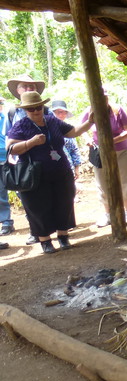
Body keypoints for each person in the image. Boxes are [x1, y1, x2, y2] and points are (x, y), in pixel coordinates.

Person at [5, 92, 94, 254]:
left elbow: (73, 131)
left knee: (64, 202)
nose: (36, 111)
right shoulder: (20, 126)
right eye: (31, 109)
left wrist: (89, 122)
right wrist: (30, 143)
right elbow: (11, 148)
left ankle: (63, 236)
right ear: (25, 110)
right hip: (35, 175)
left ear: (43, 106)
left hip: (61, 170)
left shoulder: (53, 121)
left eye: (38, 107)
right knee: (39, 207)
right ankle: (45, 240)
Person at [6, 74, 52, 245]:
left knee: (49, 196)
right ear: (17, 91)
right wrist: (11, 155)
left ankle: (51, 229)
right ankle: (36, 231)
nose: (28, 89)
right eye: (24, 86)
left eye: (31, 86)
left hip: (47, 161)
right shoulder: (12, 112)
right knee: (29, 198)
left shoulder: (46, 110)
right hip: (24, 162)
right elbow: (7, 139)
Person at [82, 91, 127, 227]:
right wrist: (88, 140)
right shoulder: (89, 112)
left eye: (103, 98)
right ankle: (107, 214)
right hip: (100, 152)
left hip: (122, 150)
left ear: (107, 99)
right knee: (102, 184)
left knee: (125, 181)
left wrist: (111, 141)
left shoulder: (117, 110)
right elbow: (82, 129)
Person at [51, 100, 81, 180]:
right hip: (55, 169)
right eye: (59, 112)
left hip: (68, 168)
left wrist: (76, 167)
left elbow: (74, 149)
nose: (62, 115)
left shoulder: (68, 129)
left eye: (64, 112)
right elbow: (50, 151)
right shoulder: (48, 129)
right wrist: (61, 162)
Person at [0, 96, 10, 248]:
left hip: (10, 158)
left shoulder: (7, 116)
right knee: (0, 193)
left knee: (23, 188)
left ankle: (33, 221)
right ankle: (6, 221)